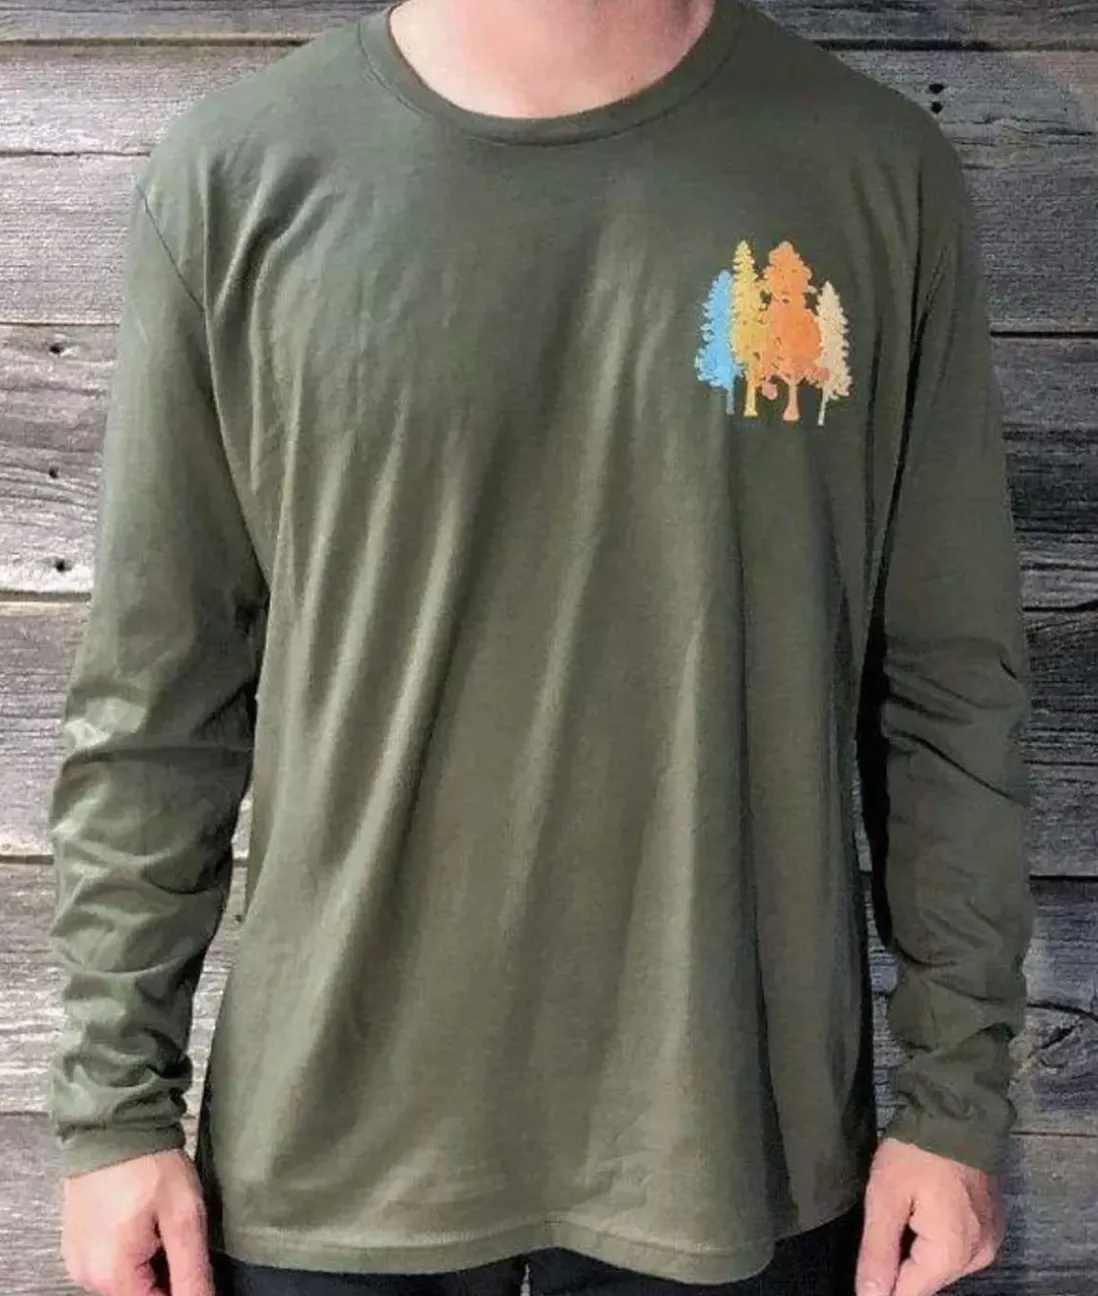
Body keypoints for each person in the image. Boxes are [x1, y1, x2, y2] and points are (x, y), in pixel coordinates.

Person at [47, 1, 1035, 1294]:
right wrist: (115, 1108)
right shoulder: (239, 176)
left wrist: (954, 1098)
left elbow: (948, 682)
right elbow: (158, 688)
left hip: (735, 1144)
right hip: (330, 1158)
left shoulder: (869, 172)